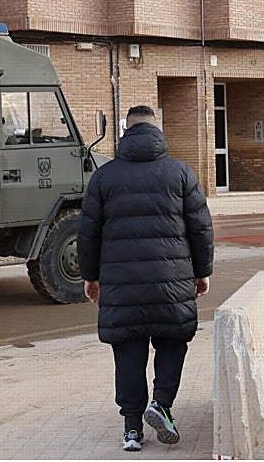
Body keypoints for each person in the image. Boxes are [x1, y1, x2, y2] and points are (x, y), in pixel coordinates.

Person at [77, 105, 214, 453]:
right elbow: (201, 228)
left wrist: (90, 277)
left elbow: (88, 233)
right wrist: (202, 272)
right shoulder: (180, 173)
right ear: (157, 131)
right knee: (172, 341)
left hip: (121, 285)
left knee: (128, 350)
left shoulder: (104, 177)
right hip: (172, 281)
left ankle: (132, 428)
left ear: (126, 131)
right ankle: (162, 404)